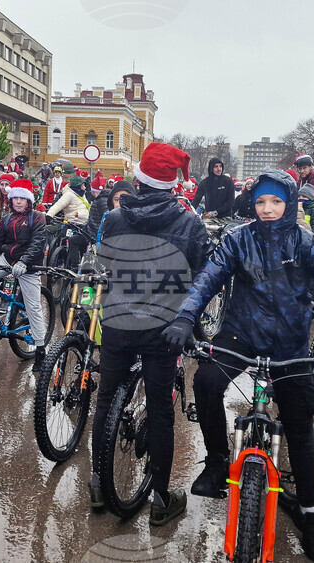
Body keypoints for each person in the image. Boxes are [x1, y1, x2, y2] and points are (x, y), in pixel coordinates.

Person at [160, 170, 314, 562]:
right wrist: (184, 318)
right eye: (261, 202)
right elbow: (207, 279)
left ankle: (310, 516)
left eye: (276, 201)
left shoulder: (305, 240)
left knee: (298, 426)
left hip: (290, 343)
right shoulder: (237, 239)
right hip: (241, 333)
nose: (268, 209)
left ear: (289, 203)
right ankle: (216, 462)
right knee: (207, 380)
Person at [88, 143, 210, 527]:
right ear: (174, 183)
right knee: (160, 409)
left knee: (106, 399)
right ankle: (160, 500)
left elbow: (104, 263)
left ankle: (96, 484)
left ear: (139, 180)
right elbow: (203, 277)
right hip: (163, 329)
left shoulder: (114, 218)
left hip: (118, 322)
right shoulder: (190, 223)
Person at [0, 179, 48, 369]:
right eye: (15, 198)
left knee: (33, 307)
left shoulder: (38, 217)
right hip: (7, 260)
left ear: (29, 201)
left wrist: (24, 262)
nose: (18, 202)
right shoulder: (7, 219)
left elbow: (37, 243)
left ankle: (40, 350)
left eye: (22, 198)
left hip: (29, 267)